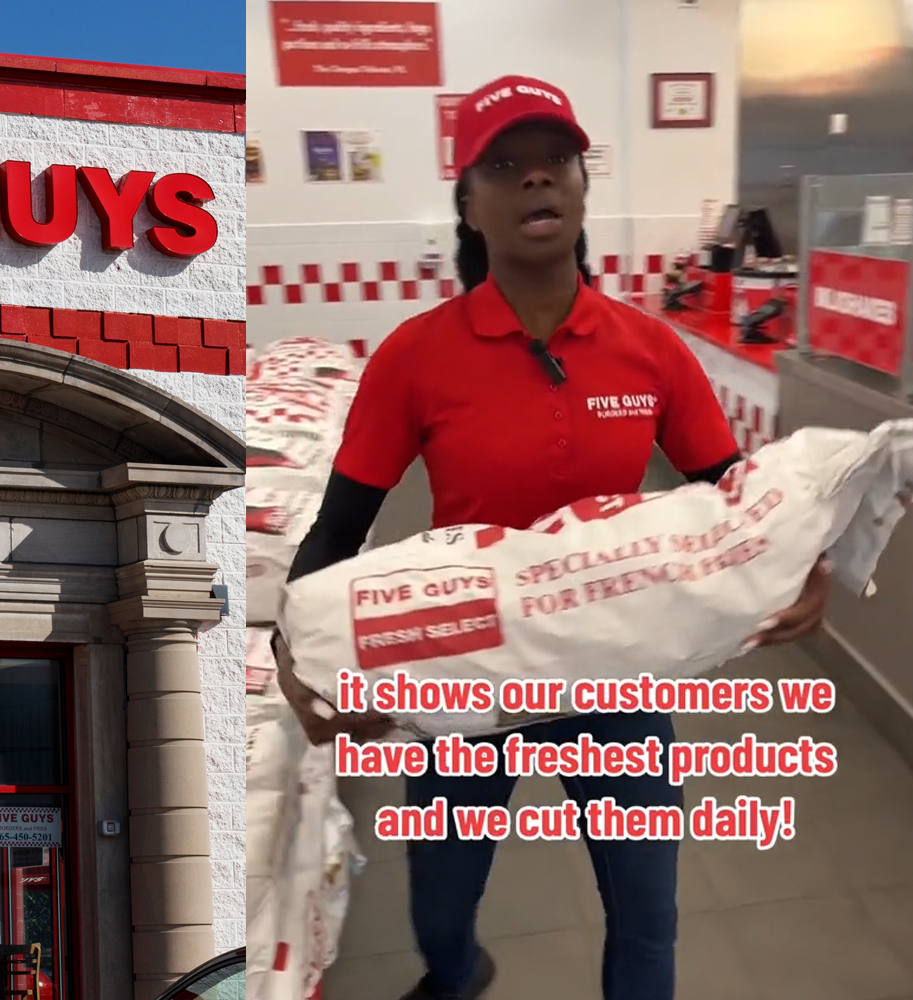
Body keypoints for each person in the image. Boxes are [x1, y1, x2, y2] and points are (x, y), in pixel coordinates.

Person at [270, 75, 830, 1000]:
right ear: (470, 201)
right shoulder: (416, 355)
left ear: (580, 185)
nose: (537, 182)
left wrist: (801, 559)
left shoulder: (649, 349)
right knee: (440, 903)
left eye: (555, 162)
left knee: (648, 914)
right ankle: (455, 973)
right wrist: (301, 659)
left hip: (618, 668)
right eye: (506, 165)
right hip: (466, 666)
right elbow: (337, 530)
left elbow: (734, 498)